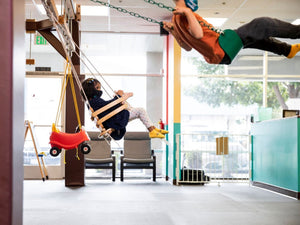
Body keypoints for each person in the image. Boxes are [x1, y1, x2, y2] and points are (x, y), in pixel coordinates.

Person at [163, 0, 300, 65]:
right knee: (263, 24)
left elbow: (187, 47)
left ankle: (287, 50)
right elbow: (198, 34)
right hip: (221, 48)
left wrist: (173, 32)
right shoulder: (184, 14)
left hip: (221, 50)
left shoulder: (176, 18)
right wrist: (188, 12)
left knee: (255, 38)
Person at [81, 78, 168, 140]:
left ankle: (153, 129)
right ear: (90, 90)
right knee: (140, 110)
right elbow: (109, 106)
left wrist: (118, 99)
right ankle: (152, 131)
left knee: (133, 109)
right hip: (115, 120)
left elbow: (106, 106)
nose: (100, 90)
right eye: (97, 88)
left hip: (112, 120)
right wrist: (119, 96)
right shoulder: (95, 101)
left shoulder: (91, 102)